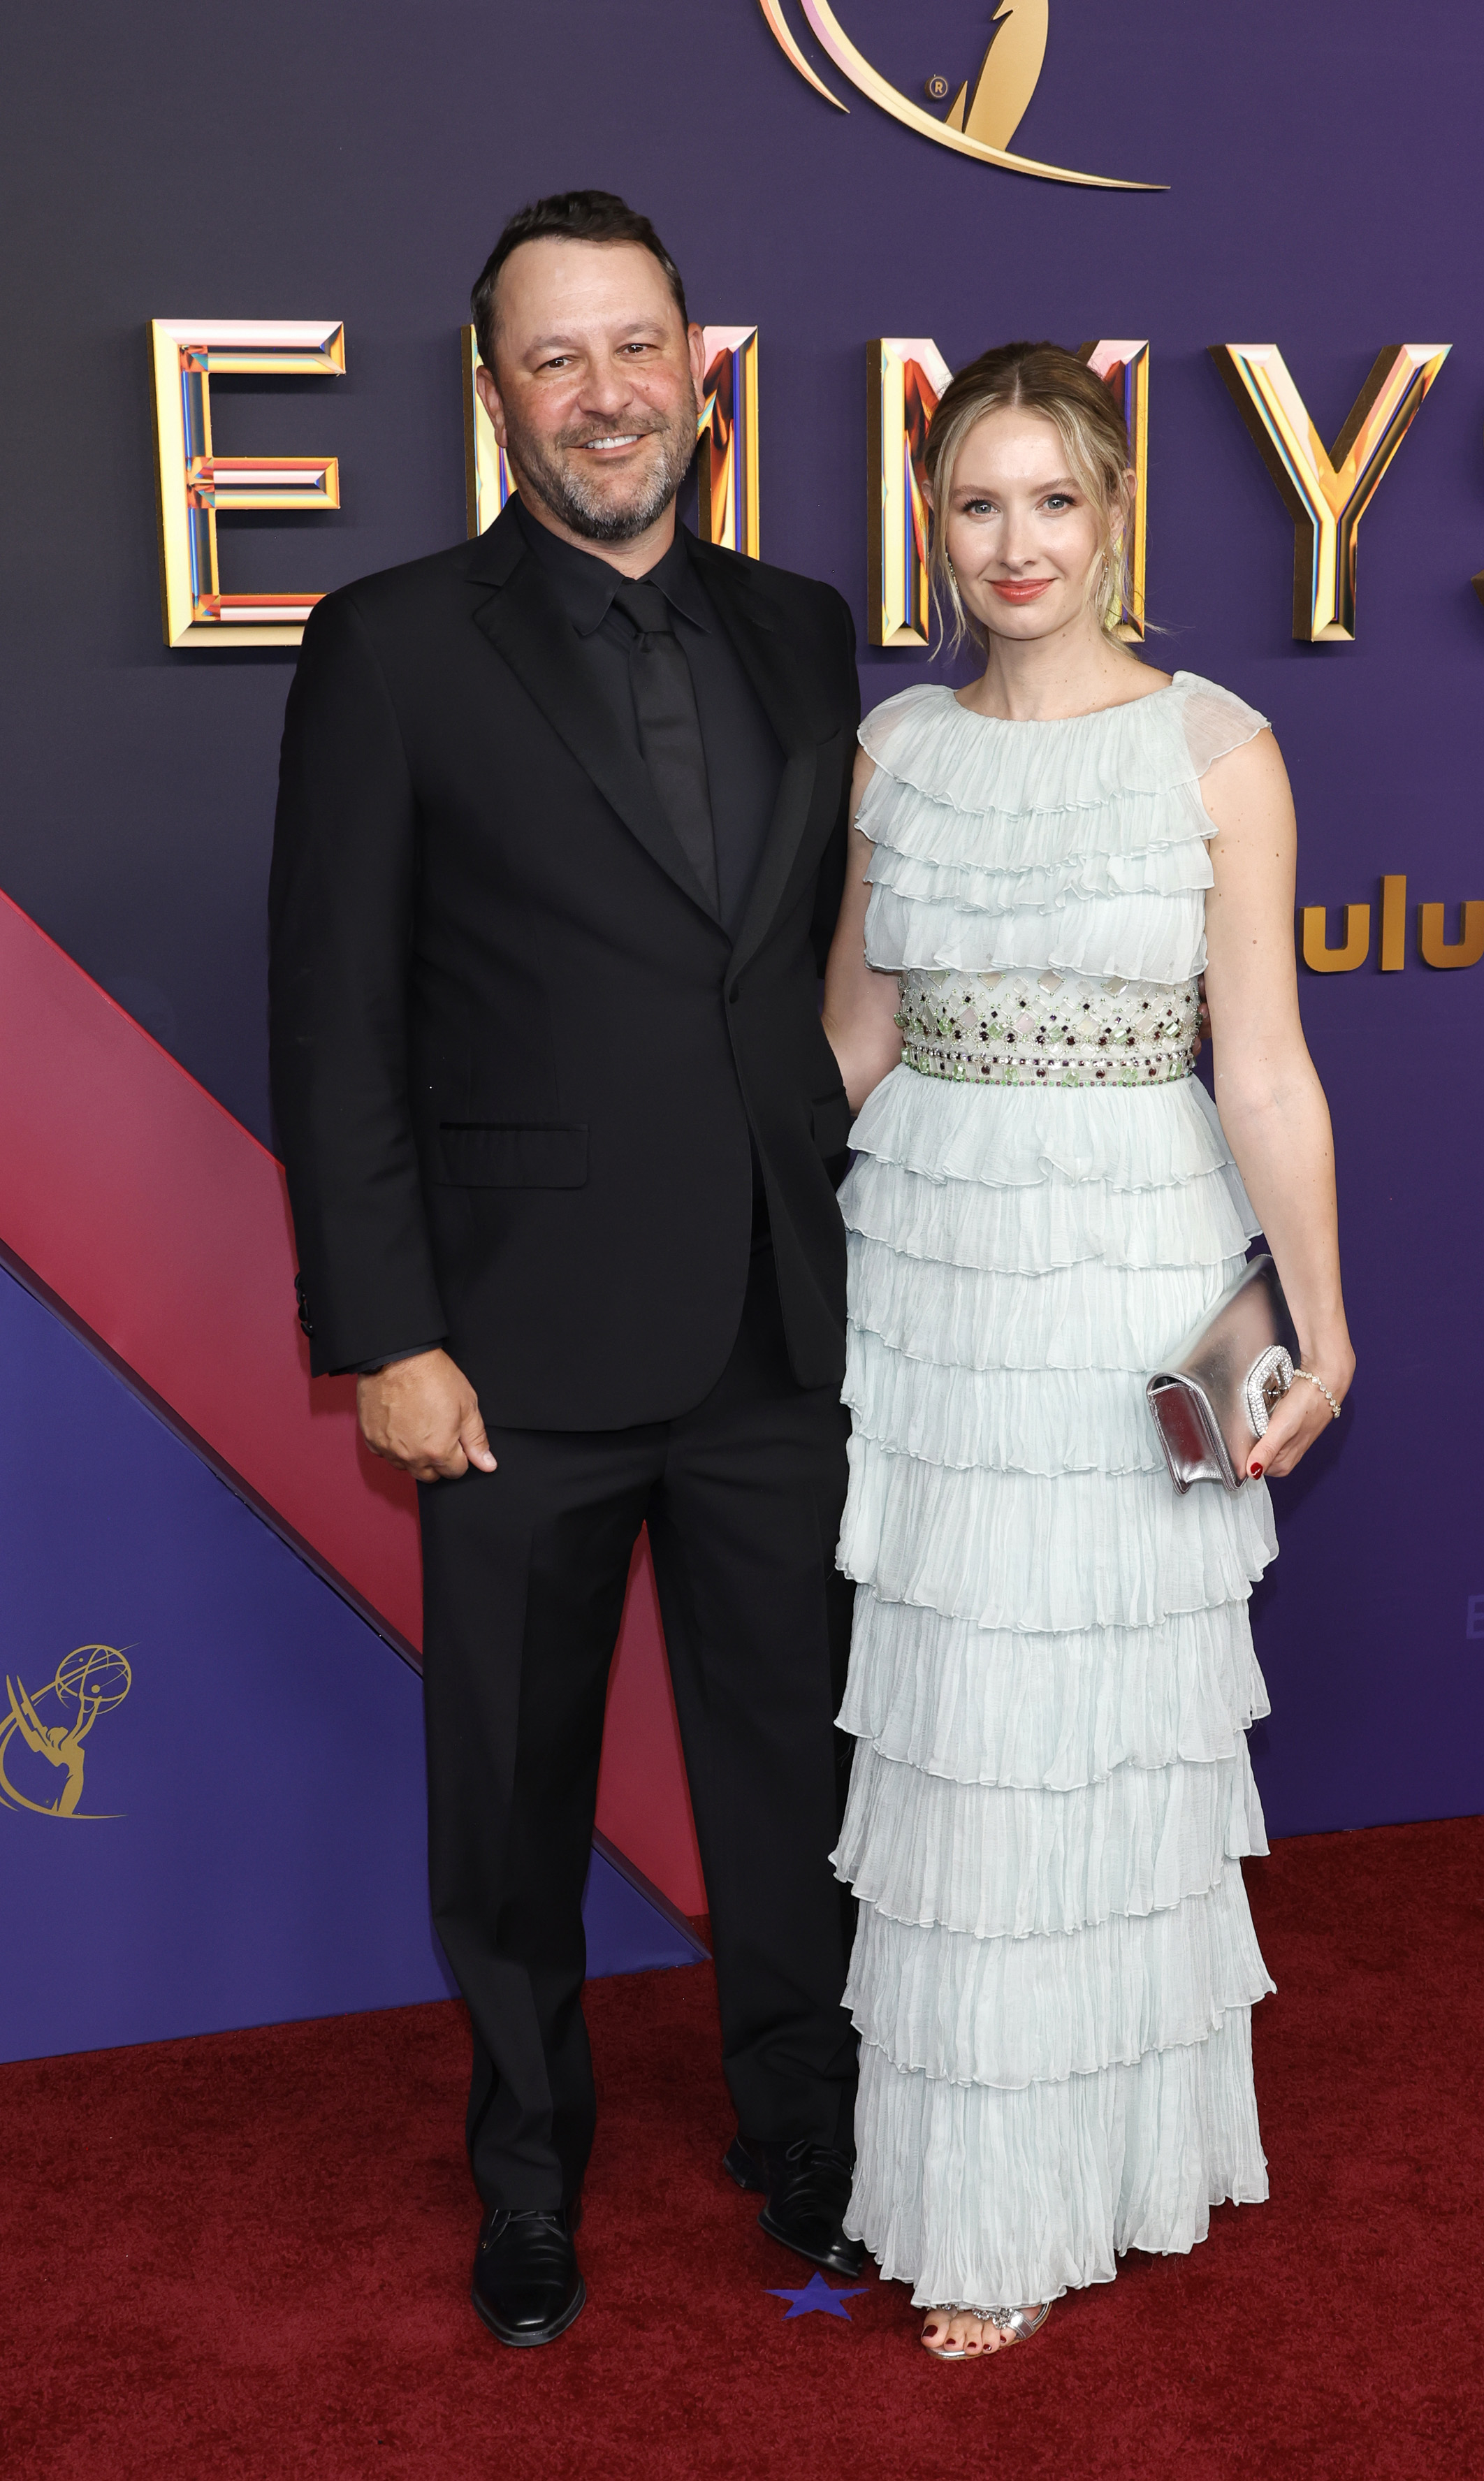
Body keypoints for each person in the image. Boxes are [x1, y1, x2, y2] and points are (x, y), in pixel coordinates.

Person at [268, 191, 866, 2348]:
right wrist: (387, 1331)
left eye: (640, 348)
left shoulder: (807, 626)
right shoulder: (397, 641)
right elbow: (334, 1015)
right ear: (496, 388)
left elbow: (810, 984)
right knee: (509, 1801)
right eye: (557, 357)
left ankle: (806, 2124)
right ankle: (529, 2177)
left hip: (780, 1325)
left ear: (702, 366)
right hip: (508, 1343)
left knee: (795, 1776)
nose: (608, 393)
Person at [822, 342, 1355, 2360]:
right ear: (934, 530)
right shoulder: (898, 752)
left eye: (1052, 499)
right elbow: (849, 1046)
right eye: (977, 505)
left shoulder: (1218, 748)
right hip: (934, 1282)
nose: (1015, 543)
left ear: (1117, 510)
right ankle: (982, 2199)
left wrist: (1319, 1318)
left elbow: (1269, 1062)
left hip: (1147, 1273)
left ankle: (1111, 2164)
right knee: (962, 1732)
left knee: (1123, 1725)